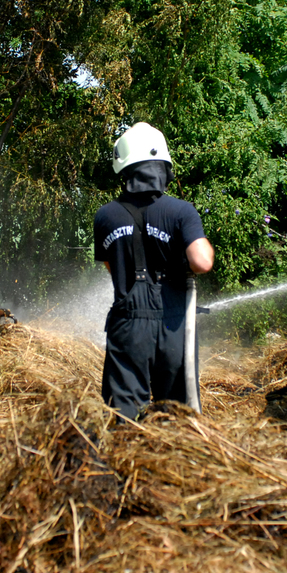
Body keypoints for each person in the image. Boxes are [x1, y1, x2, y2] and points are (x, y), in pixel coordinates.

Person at [93, 122, 215, 420]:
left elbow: (113, 269)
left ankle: (124, 463)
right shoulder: (181, 211)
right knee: (177, 418)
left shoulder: (105, 215)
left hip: (127, 327)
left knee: (122, 418)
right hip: (174, 326)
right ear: (163, 166)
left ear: (124, 169)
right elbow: (202, 262)